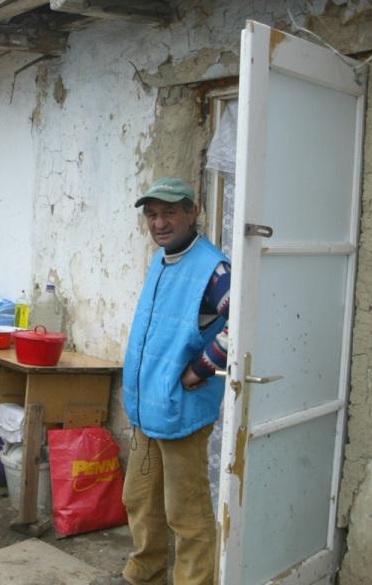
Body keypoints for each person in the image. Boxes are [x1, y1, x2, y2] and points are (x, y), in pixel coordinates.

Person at [119, 177, 231, 585]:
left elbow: (246, 320)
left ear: (192, 211)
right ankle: (144, 573)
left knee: (187, 515)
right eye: (152, 215)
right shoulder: (162, 259)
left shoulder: (213, 268)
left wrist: (201, 366)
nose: (159, 222)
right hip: (146, 407)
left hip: (181, 408)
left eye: (169, 212)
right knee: (140, 501)